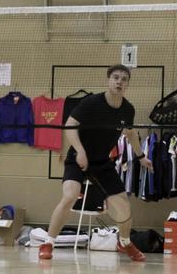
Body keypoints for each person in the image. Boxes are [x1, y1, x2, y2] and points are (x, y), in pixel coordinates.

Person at [39, 65, 152, 262]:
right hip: (78, 158)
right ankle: (48, 243)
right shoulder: (91, 103)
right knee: (70, 196)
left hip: (102, 162)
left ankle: (125, 242)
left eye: (124, 79)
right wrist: (80, 150)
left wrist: (141, 156)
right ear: (108, 80)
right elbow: (70, 125)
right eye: (115, 77)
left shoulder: (128, 109)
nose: (119, 82)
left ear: (127, 84)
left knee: (124, 206)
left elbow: (130, 133)